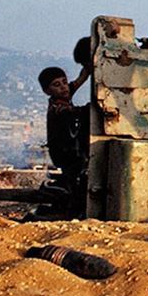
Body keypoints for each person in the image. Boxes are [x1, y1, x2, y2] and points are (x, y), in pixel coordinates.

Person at [37, 59, 92, 218]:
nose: (63, 87)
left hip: (70, 151)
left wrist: (89, 66)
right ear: (48, 91)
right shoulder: (57, 107)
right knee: (76, 182)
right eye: (57, 85)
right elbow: (74, 113)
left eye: (64, 82)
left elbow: (81, 79)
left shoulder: (65, 95)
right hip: (64, 152)